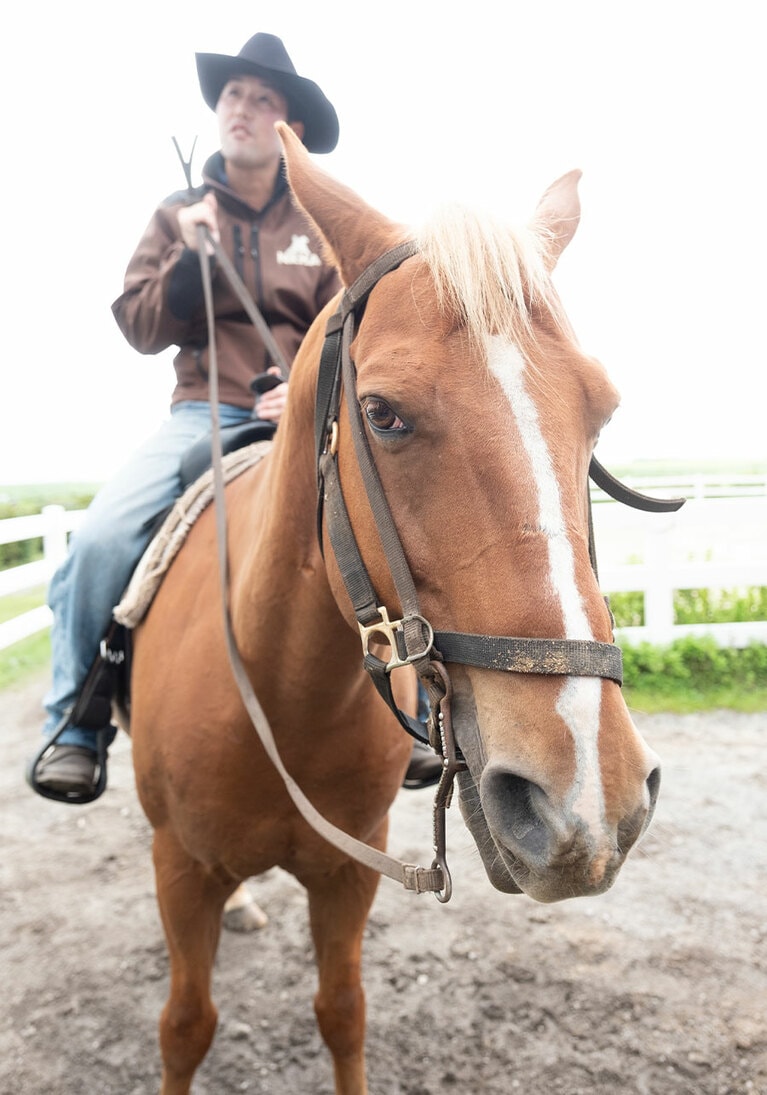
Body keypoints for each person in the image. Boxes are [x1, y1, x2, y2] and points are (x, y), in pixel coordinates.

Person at [32, 32, 441, 800]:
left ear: (289, 127)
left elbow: (357, 333)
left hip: (307, 414)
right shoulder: (177, 213)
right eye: (231, 96)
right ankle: (77, 723)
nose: (241, 110)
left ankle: (410, 714)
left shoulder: (319, 224)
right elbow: (139, 327)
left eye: (262, 99)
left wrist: (310, 391)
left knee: (398, 524)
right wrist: (189, 260)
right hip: (200, 413)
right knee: (97, 542)